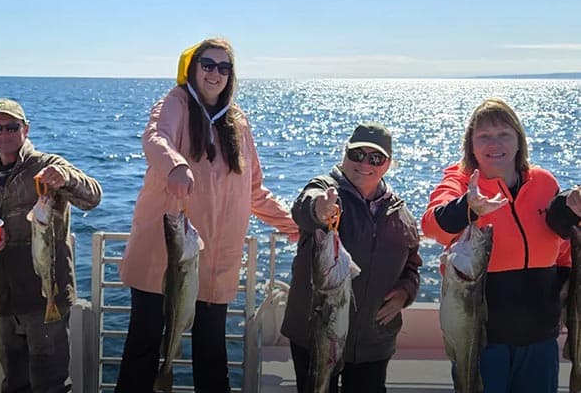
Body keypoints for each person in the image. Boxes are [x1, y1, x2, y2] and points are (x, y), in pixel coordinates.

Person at [115, 37, 299, 392]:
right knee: (143, 346)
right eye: (208, 65)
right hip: (164, 255)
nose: (216, 73)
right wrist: (175, 166)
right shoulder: (176, 102)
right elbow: (155, 137)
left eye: (224, 67)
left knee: (212, 354)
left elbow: (254, 191)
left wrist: (296, 226)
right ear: (193, 69)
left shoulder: (238, 122)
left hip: (216, 263)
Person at [421, 98, 570, 393]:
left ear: (518, 141)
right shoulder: (462, 182)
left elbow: (563, 250)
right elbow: (432, 225)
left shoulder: (543, 182)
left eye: (504, 134)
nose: (494, 143)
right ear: (471, 147)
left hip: (540, 339)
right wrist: (469, 206)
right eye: (484, 136)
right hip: (482, 342)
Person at [0, 98, 102, 393]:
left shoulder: (48, 165)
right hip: (2, 301)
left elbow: (92, 196)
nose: (4, 134)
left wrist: (66, 179)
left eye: (12, 126)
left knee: (49, 383)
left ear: (25, 129)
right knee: (14, 381)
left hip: (44, 299)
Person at [281, 122, 422, 393]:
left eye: (375, 158)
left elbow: (412, 265)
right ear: (344, 154)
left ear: (388, 164)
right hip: (316, 336)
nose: (364, 163)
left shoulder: (400, 213)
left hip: (373, 342)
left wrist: (406, 291)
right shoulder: (327, 189)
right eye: (357, 154)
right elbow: (303, 207)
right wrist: (319, 209)